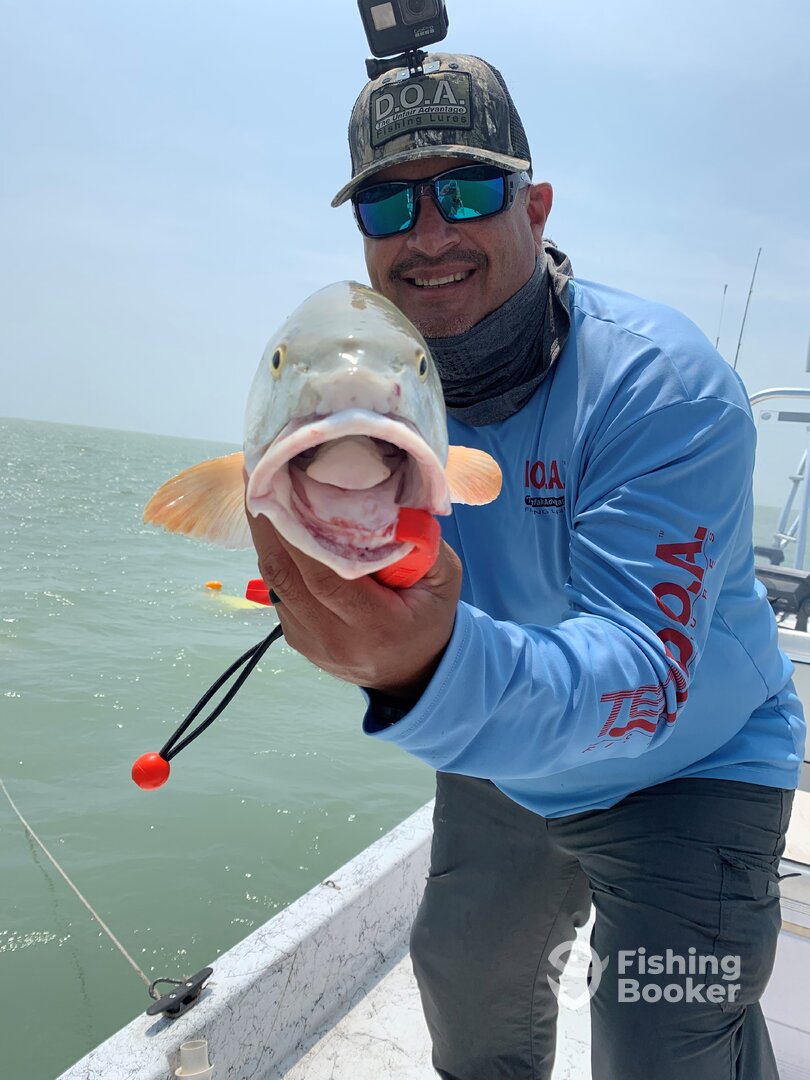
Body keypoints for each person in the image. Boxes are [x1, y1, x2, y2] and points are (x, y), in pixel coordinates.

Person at [247, 53, 805, 1079]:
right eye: (387, 205)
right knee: (465, 988)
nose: (428, 233)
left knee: (662, 1034)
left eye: (468, 190)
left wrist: (426, 668)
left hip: (694, 767)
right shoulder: (382, 396)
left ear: (536, 208)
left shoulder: (663, 384)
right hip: (510, 760)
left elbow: (644, 673)